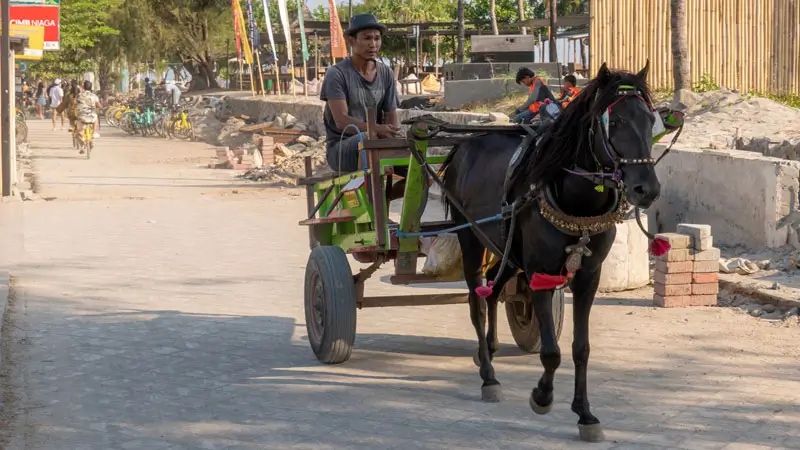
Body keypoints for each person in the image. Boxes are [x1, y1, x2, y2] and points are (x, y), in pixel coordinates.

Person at [319, 13, 400, 175]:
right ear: (351, 41)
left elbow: (391, 116)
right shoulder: (337, 73)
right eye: (367, 38)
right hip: (341, 149)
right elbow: (342, 121)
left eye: (377, 38)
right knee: (368, 139)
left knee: (416, 156)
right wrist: (377, 129)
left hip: (375, 141)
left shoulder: (386, 73)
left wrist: (393, 134)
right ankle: (369, 193)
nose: (373, 44)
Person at [75, 80, 102, 151]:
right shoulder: (94, 96)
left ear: (83, 87)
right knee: (96, 118)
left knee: (78, 132)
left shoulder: (79, 95)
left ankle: (83, 144)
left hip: (81, 116)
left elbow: (75, 104)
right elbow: (98, 105)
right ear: (91, 87)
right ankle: (94, 133)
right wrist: (100, 107)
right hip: (91, 116)